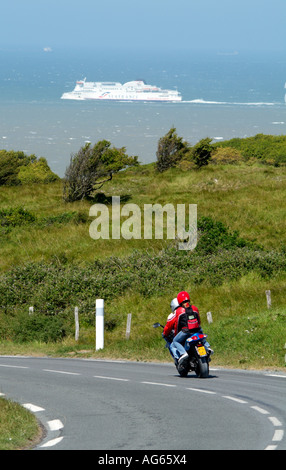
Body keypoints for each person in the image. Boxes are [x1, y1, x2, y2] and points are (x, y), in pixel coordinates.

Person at [163, 291, 212, 366]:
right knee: (202, 337)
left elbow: (177, 325)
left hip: (186, 331)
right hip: (197, 329)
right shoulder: (195, 308)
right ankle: (207, 347)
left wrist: (175, 334)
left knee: (175, 341)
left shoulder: (179, 311)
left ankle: (183, 354)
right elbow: (199, 320)